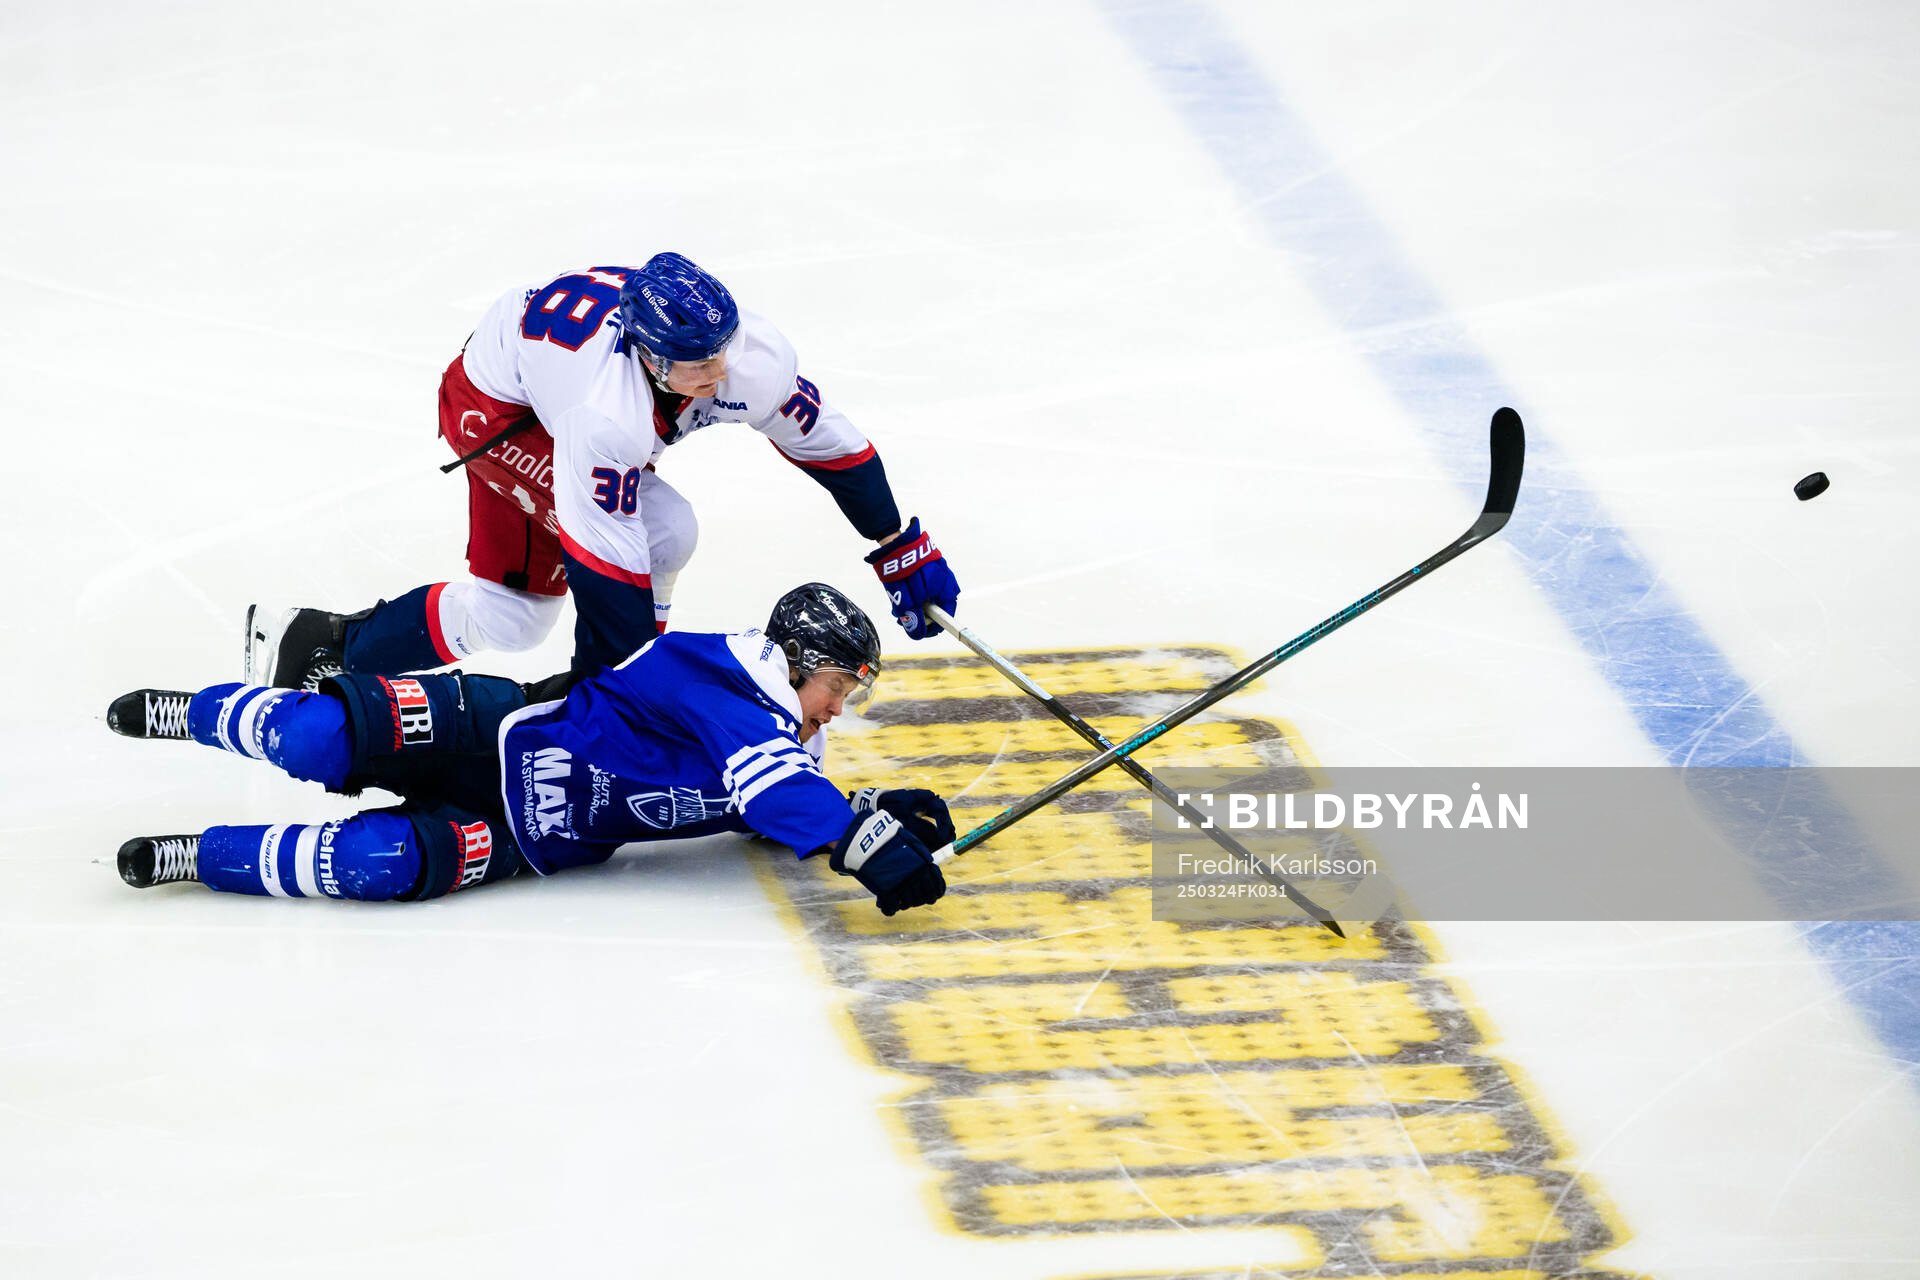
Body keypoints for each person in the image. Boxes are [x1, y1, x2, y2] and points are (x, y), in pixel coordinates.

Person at [244, 253, 961, 689]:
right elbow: (607, 565)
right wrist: (618, 699)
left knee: (514, 619)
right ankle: (331, 651)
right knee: (654, 539)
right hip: (498, 411)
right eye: (697, 363)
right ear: (649, 355)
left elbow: (829, 442)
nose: (721, 372)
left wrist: (895, 542)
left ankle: (320, 645)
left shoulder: (747, 357)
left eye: (724, 349)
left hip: (535, 376)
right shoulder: (604, 413)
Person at [106, 584, 951, 916]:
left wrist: (869, 815)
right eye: (840, 685)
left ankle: (199, 858)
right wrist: (856, 839)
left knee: (384, 861)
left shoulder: (777, 742)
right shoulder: (723, 678)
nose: (840, 709)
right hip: (495, 729)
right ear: (796, 662)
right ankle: (196, 714)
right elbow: (767, 787)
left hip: (533, 837)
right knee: (319, 735)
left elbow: (766, 808)